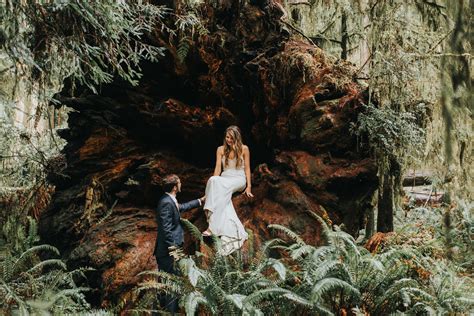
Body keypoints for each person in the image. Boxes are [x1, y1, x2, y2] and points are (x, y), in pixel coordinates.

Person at [154, 174, 205, 314]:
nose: (181, 184)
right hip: (168, 252)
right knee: (172, 284)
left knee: (168, 283)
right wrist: (174, 249)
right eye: (180, 182)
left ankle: (160, 311)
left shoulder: (169, 200)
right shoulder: (166, 202)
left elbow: (180, 207)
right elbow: (166, 229)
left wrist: (200, 201)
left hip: (169, 250)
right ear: (175, 187)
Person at [202, 125, 253, 255]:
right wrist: (211, 186)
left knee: (219, 185)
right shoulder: (220, 149)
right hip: (225, 178)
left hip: (238, 179)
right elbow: (218, 169)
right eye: (227, 137)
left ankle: (212, 228)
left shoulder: (244, 149)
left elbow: (247, 168)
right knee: (213, 180)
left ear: (236, 138)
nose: (228, 140)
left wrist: (248, 186)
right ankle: (214, 224)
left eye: (231, 137)